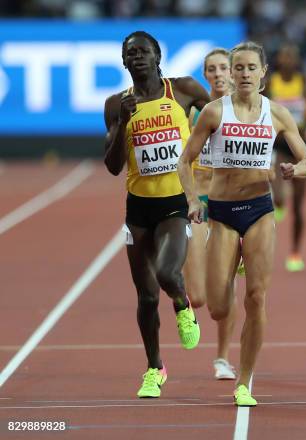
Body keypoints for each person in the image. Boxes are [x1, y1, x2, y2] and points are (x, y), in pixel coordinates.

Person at [178, 41, 306, 407]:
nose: (244, 74)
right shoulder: (213, 112)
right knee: (219, 307)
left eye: (252, 68)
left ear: (263, 73)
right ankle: (229, 266)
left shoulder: (278, 114)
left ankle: (245, 380)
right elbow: (184, 162)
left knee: (256, 297)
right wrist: (192, 200)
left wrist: (294, 169)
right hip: (222, 213)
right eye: (238, 68)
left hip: (259, 211)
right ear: (232, 74)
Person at [103, 31, 210, 398]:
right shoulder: (116, 103)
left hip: (176, 201)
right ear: (123, 62)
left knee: (167, 272)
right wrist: (121, 125)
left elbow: (215, 119)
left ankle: (182, 304)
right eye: (130, 53)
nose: (137, 58)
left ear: (158, 56)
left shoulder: (182, 89)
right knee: (147, 298)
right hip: (138, 208)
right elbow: (113, 166)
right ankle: (154, 369)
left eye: (143, 52)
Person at [183, 48, 237, 380]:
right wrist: (189, 198)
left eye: (223, 68)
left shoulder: (245, 112)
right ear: (205, 75)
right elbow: (183, 162)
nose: (218, 74)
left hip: (232, 206)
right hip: (200, 203)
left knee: (226, 289)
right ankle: (183, 301)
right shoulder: (194, 115)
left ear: (232, 72)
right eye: (211, 69)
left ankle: (222, 358)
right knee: (200, 298)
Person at [266, 43, 306, 272]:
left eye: (291, 57)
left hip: (299, 147)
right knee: (277, 196)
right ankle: (278, 203)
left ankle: (295, 252)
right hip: (277, 146)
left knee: (298, 206)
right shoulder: (270, 84)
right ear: (279, 60)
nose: (287, 61)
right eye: (284, 56)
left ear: (297, 61)